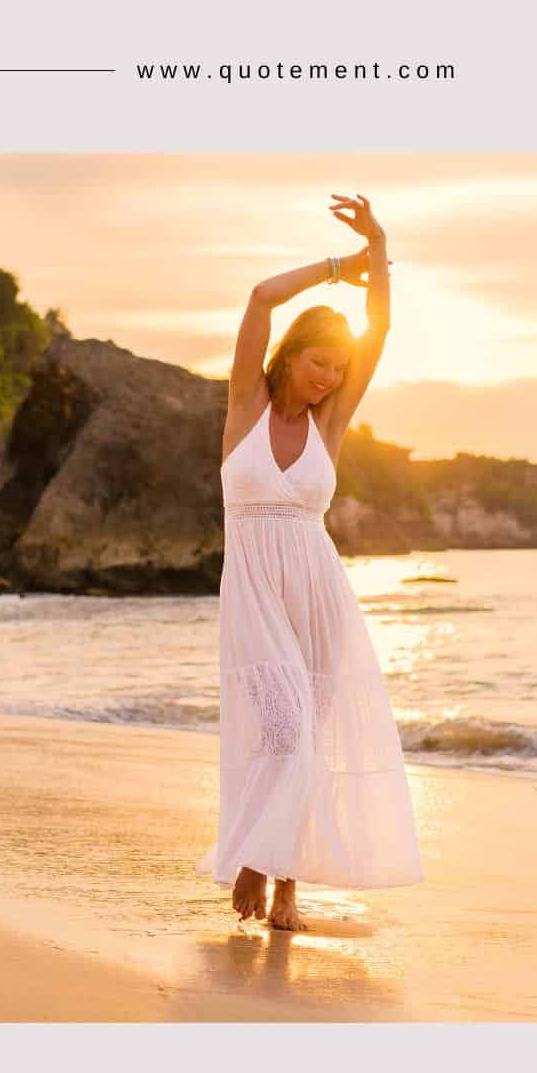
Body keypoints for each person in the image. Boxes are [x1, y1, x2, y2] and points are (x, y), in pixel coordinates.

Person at [197, 193, 422, 930]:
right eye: (320, 363)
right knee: (286, 731)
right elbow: (261, 296)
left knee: (310, 737)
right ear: (290, 355)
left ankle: (283, 881)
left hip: (319, 588)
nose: (329, 378)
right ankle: (257, 860)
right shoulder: (244, 407)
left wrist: (380, 249)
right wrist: (339, 265)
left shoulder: (331, 421)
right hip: (256, 590)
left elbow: (381, 327)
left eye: (339, 369)